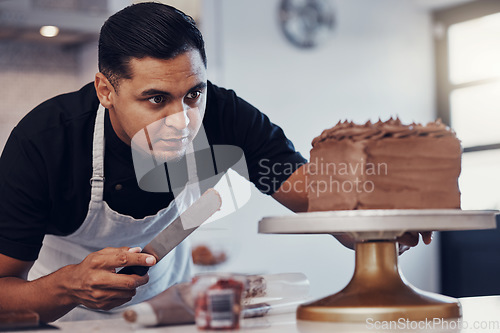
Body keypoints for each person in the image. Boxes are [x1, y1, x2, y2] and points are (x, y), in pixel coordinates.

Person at [0, 2, 428, 323]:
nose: (182, 121)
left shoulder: (225, 116)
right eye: (156, 100)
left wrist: (375, 223)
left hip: (170, 315)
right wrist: (69, 286)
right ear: (105, 90)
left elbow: (314, 198)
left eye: (193, 95)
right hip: (55, 317)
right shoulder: (45, 143)